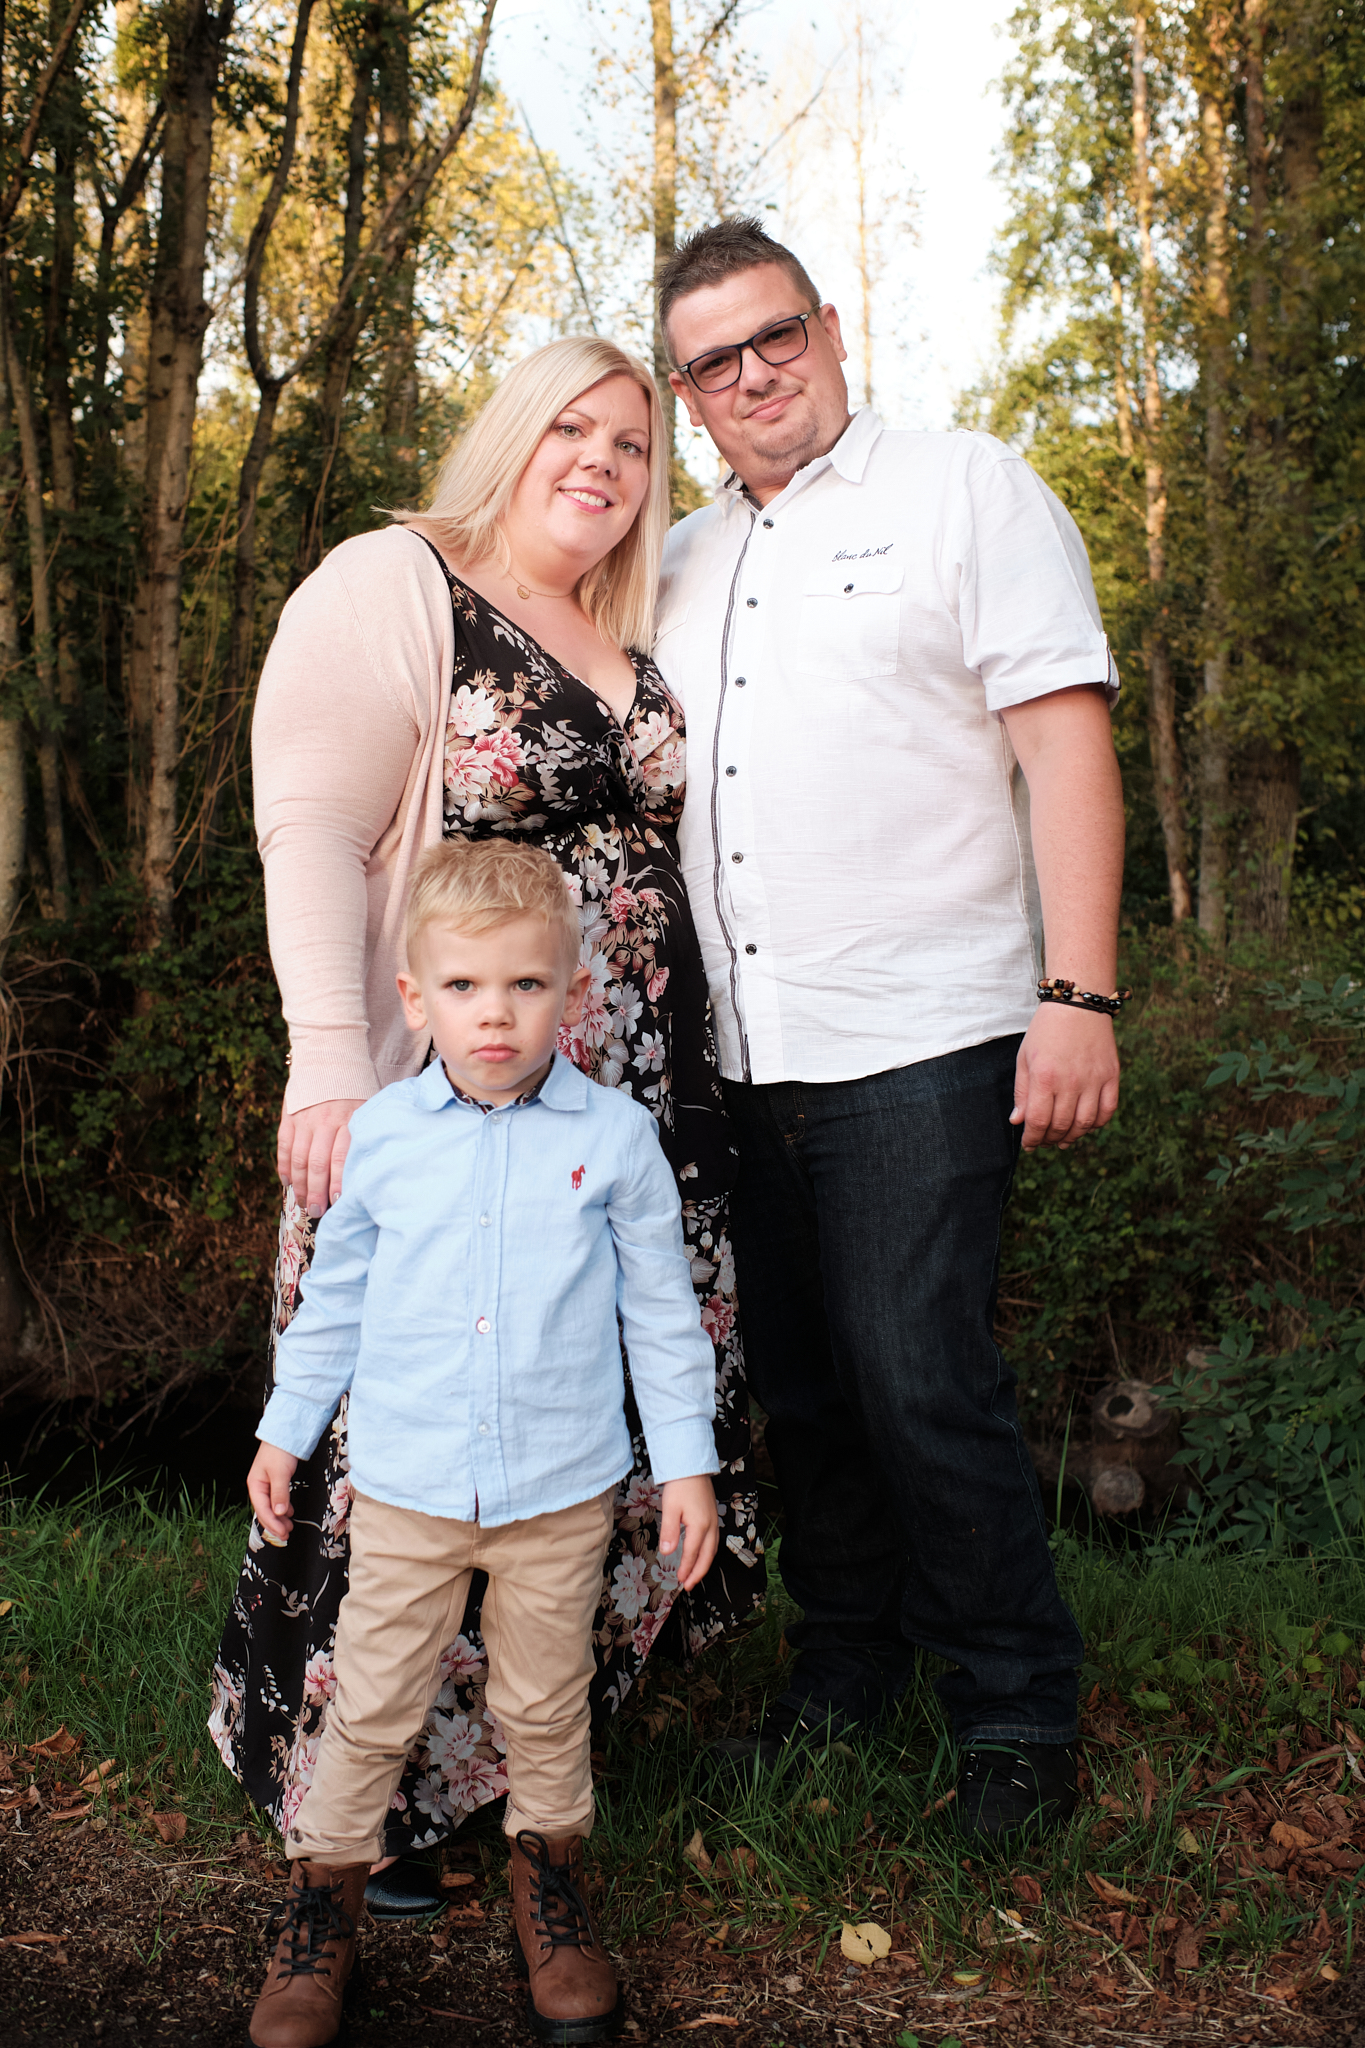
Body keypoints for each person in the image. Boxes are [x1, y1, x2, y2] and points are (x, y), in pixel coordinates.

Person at [210, 336, 763, 1914]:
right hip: (442, 1098)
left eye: (634, 443)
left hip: (632, 1115)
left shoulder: (620, 633)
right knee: (411, 1417)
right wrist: (331, 1057)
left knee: (568, 1426)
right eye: (571, 428)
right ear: (513, 436)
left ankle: (533, 1770)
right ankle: (371, 1799)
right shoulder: (399, 580)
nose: (600, 459)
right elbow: (309, 820)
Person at [650, 217, 1127, 1836]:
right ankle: (843, 1669)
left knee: (924, 1372)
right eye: (714, 360)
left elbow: (1064, 743)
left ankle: (1014, 1705)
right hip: (740, 1052)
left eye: (774, 334)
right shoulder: (679, 560)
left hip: (926, 1028)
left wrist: (1079, 992)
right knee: (802, 1388)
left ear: (832, 326)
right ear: (687, 394)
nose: (753, 373)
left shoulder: (965, 488)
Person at [245, 838, 719, 2048]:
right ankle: (322, 1907)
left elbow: (660, 1311)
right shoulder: (387, 1138)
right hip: (405, 1487)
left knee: (547, 1705)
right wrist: (283, 1432)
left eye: (523, 985)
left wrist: (688, 1461)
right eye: (463, 987)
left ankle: (549, 1890)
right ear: (415, 997)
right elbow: (334, 1302)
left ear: (570, 992)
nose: (494, 1014)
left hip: (558, 1491)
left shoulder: (612, 1141)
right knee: (370, 1705)